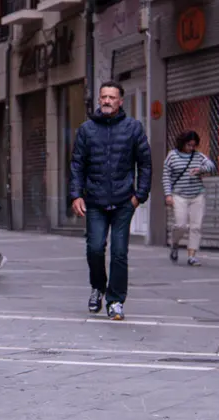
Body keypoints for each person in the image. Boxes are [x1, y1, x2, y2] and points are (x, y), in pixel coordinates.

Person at [69, 81, 152, 321]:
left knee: (119, 252)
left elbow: (145, 164)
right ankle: (98, 287)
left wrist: (139, 195)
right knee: (94, 248)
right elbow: (77, 165)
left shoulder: (133, 128)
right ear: (98, 100)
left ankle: (115, 300)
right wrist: (76, 195)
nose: (106, 101)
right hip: (94, 201)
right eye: (103, 97)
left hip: (124, 200)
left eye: (111, 97)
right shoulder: (86, 130)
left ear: (120, 101)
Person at [162, 130, 216, 266]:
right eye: (188, 145)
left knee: (196, 226)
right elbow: (166, 176)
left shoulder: (198, 156)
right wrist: (168, 194)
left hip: (197, 194)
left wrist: (200, 170)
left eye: (193, 145)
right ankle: (174, 244)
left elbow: (211, 166)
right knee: (180, 225)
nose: (191, 148)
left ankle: (192, 256)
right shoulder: (172, 156)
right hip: (179, 195)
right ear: (182, 143)